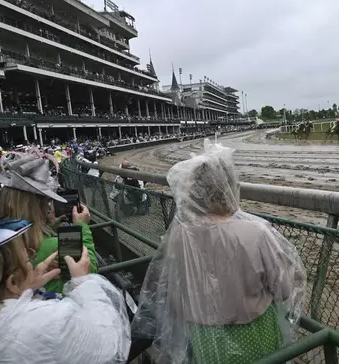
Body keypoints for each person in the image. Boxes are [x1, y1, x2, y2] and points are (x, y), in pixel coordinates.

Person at [131, 139, 306, 364]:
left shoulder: (180, 235)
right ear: (230, 188)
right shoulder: (256, 232)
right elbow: (283, 289)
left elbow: (174, 289)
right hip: (254, 333)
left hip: (204, 337)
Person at [0, 215, 131, 363]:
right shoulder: (48, 321)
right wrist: (83, 281)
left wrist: (27, 288)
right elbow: (109, 344)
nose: (31, 262)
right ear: (11, 282)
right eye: (27, 260)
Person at [0, 154, 98, 294]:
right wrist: (81, 226)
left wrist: (50, 227)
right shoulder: (55, 245)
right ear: (39, 206)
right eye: (46, 201)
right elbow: (89, 267)